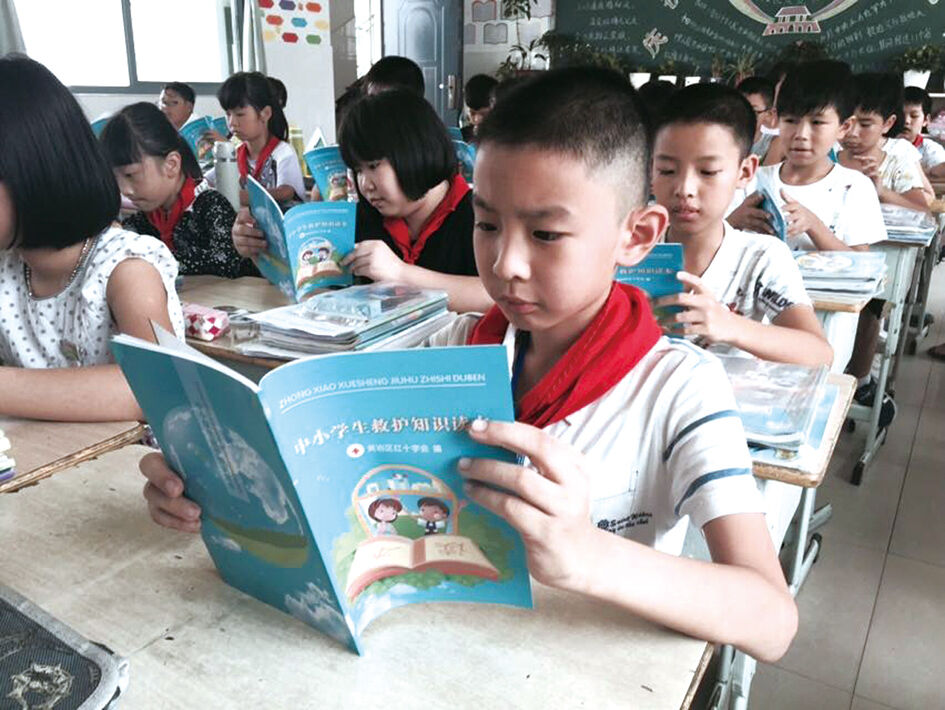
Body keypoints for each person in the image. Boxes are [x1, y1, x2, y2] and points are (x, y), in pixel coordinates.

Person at [141, 67, 798, 663]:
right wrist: (222, 480)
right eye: (487, 225)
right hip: (447, 660)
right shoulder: (445, 351)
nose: (505, 264)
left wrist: (588, 555)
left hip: (586, 672)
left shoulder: (679, 389)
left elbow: (771, 621)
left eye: (545, 233)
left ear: (637, 235)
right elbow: (331, 478)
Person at [0, 56, 184, 422]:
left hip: (135, 457)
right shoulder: (9, 268)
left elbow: (153, 387)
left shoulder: (126, 270)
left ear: (33, 171)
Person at [233, 89, 491, 313]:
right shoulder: (360, 220)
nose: (365, 184)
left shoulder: (479, 215)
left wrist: (400, 274)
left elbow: (494, 296)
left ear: (416, 152)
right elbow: (320, 294)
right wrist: (261, 250)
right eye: (357, 170)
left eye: (374, 166)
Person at [651, 83, 832, 367]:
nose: (684, 189)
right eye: (667, 170)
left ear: (745, 172)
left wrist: (729, 325)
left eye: (708, 171)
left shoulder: (759, 257)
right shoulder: (631, 248)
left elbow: (818, 353)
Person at [727, 61, 886, 378]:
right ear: (776, 120)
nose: (801, 134)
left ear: (844, 127)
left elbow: (860, 267)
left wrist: (814, 226)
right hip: (753, 326)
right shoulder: (752, 180)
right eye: (791, 120)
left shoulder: (853, 187)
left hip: (824, 325)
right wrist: (733, 220)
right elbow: (716, 248)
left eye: (817, 122)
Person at [100, 102, 254, 278]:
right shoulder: (149, 216)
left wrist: (152, 257)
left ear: (171, 165)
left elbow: (225, 262)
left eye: (130, 175)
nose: (124, 190)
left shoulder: (210, 204)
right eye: (116, 178)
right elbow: (126, 237)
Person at [838, 73, 931, 212]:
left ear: (888, 124)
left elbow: (923, 212)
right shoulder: (826, 162)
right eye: (845, 122)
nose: (852, 132)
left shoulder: (897, 167)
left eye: (865, 124)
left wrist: (882, 192)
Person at [209, 71, 305, 207]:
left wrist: (241, 196)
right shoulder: (235, 154)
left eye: (240, 114)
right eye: (228, 114)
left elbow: (286, 192)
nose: (232, 123)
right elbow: (207, 181)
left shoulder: (283, 152)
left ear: (265, 114)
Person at [902, 86, 945, 179]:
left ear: (926, 120)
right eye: (901, 116)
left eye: (914, 116)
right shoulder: (881, 146)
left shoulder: (932, 150)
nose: (906, 121)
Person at [737, 76, 777, 162]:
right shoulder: (725, 140)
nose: (744, 115)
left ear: (769, 115)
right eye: (739, 109)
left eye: (753, 111)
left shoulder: (772, 144)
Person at [461, 74, 498, 142]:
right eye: (472, 113)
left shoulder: (505, 138)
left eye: (484, 114)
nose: (477, 119)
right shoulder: (460, 137)